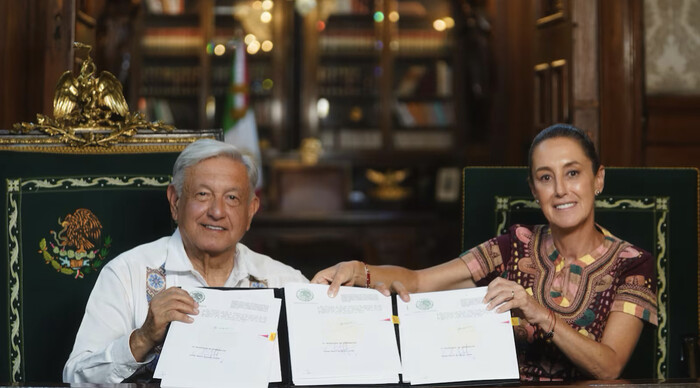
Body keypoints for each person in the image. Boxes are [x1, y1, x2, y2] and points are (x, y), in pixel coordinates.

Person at [312, 124, 657, 381]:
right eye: (546, 178)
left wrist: (536, 312)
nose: (561, 190)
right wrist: (357, 270)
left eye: (573, 173)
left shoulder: (633, 264)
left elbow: (609, 366)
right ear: (533, 190)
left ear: (598, 179)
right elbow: (418, 281)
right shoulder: (513, 246)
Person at [63, 139, 308, 383]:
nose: (217, 211)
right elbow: (76, 377)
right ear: (175, 201)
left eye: (232, 198)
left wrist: (343, 298)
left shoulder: (285, 281)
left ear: (250, 211)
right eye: (203, 194)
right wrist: (142, 338)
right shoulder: (127, 273)